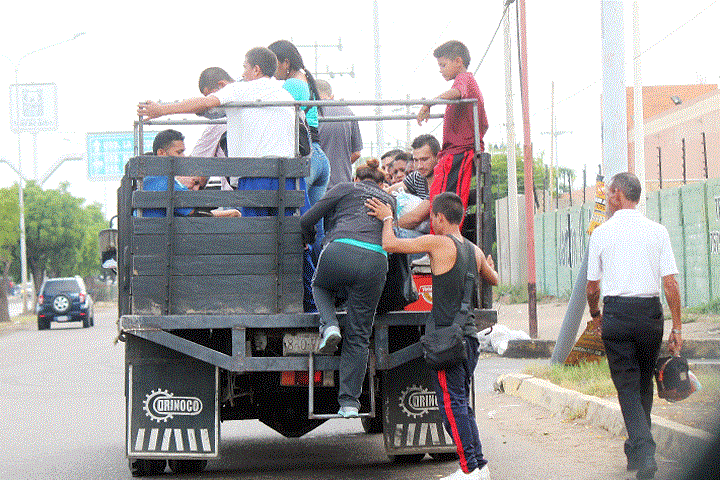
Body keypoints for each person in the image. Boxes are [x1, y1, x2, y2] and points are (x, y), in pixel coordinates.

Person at [365, 191, 498, 480]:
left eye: (432, 217)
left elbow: (390, 244)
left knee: (452, 407)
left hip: (447, 341)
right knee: (461, 403)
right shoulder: (473, 249)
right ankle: (479, 465)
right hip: (470, 339)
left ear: (438, 217)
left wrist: (387, 217)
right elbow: (494, 278)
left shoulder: (437, 243)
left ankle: (469, 470)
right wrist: (486, 261)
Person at [586, 172, 682, 480]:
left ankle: (645, 452)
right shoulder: (658, 231)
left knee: (627, 387)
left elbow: (591, 287)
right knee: (642, 382)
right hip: (650, 315)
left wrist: (595, 314)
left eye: (608, 194)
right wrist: (677, 328)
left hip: (616, 314)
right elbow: (670, 284)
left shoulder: (601, 233)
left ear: (615, 194)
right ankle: (635, 451)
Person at [137, 47, 308, 217]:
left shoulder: (241, 89)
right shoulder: (286, 96)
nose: (242, 74)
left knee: (257, 235)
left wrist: (162, 110)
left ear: (256, 70)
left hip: (255, 174)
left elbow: (205, 103)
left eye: (245, 67)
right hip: (288, 174)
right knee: (289, 230)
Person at [300, 158, 395, 418]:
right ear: (380, 182)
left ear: (356, 178)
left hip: (339, 251)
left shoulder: (344, 188)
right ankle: (350, 403)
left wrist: (308, 240)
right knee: (359, 334)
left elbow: (306, 219)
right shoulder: (389, 202)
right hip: (375, 261)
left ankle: (329, 324)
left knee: (320, 286)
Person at [416, 40, 489, 230]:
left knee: (446, 202)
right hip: (453, 152)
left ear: (458, 61)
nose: (440, 70)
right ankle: (438, 243)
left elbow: (457, 92)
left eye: (443, 64)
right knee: (439, 198)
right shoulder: (465, 82)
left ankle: (444, 244)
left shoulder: (464, 78)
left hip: (460, 152)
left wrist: (430, 103)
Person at [268, 40, 330, 208]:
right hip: (319, 156)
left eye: (274, 65)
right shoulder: (307, 81)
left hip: (306, 156)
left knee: (298, 217)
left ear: (286, 63)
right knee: (316, 222)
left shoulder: (292, 84)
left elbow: (279, 118)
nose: (272, 72)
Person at [141, 129, 240, 218]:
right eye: (179, 152)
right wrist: (231, 213)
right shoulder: (165, 182)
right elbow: (196, 214)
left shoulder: (151, 178)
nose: (183, 157)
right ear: (161, 153)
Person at [191, 67, 235, 190]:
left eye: (209, 97)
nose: (208, 106)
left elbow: (195, 165)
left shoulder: (218, 123)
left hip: (233, 196)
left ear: (221, 87)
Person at [316, 79, 363, 190]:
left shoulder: (312, 112)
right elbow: (357, 153)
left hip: (318, 184)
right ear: (332, 96)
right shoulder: (348, 112)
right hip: (343, 184)